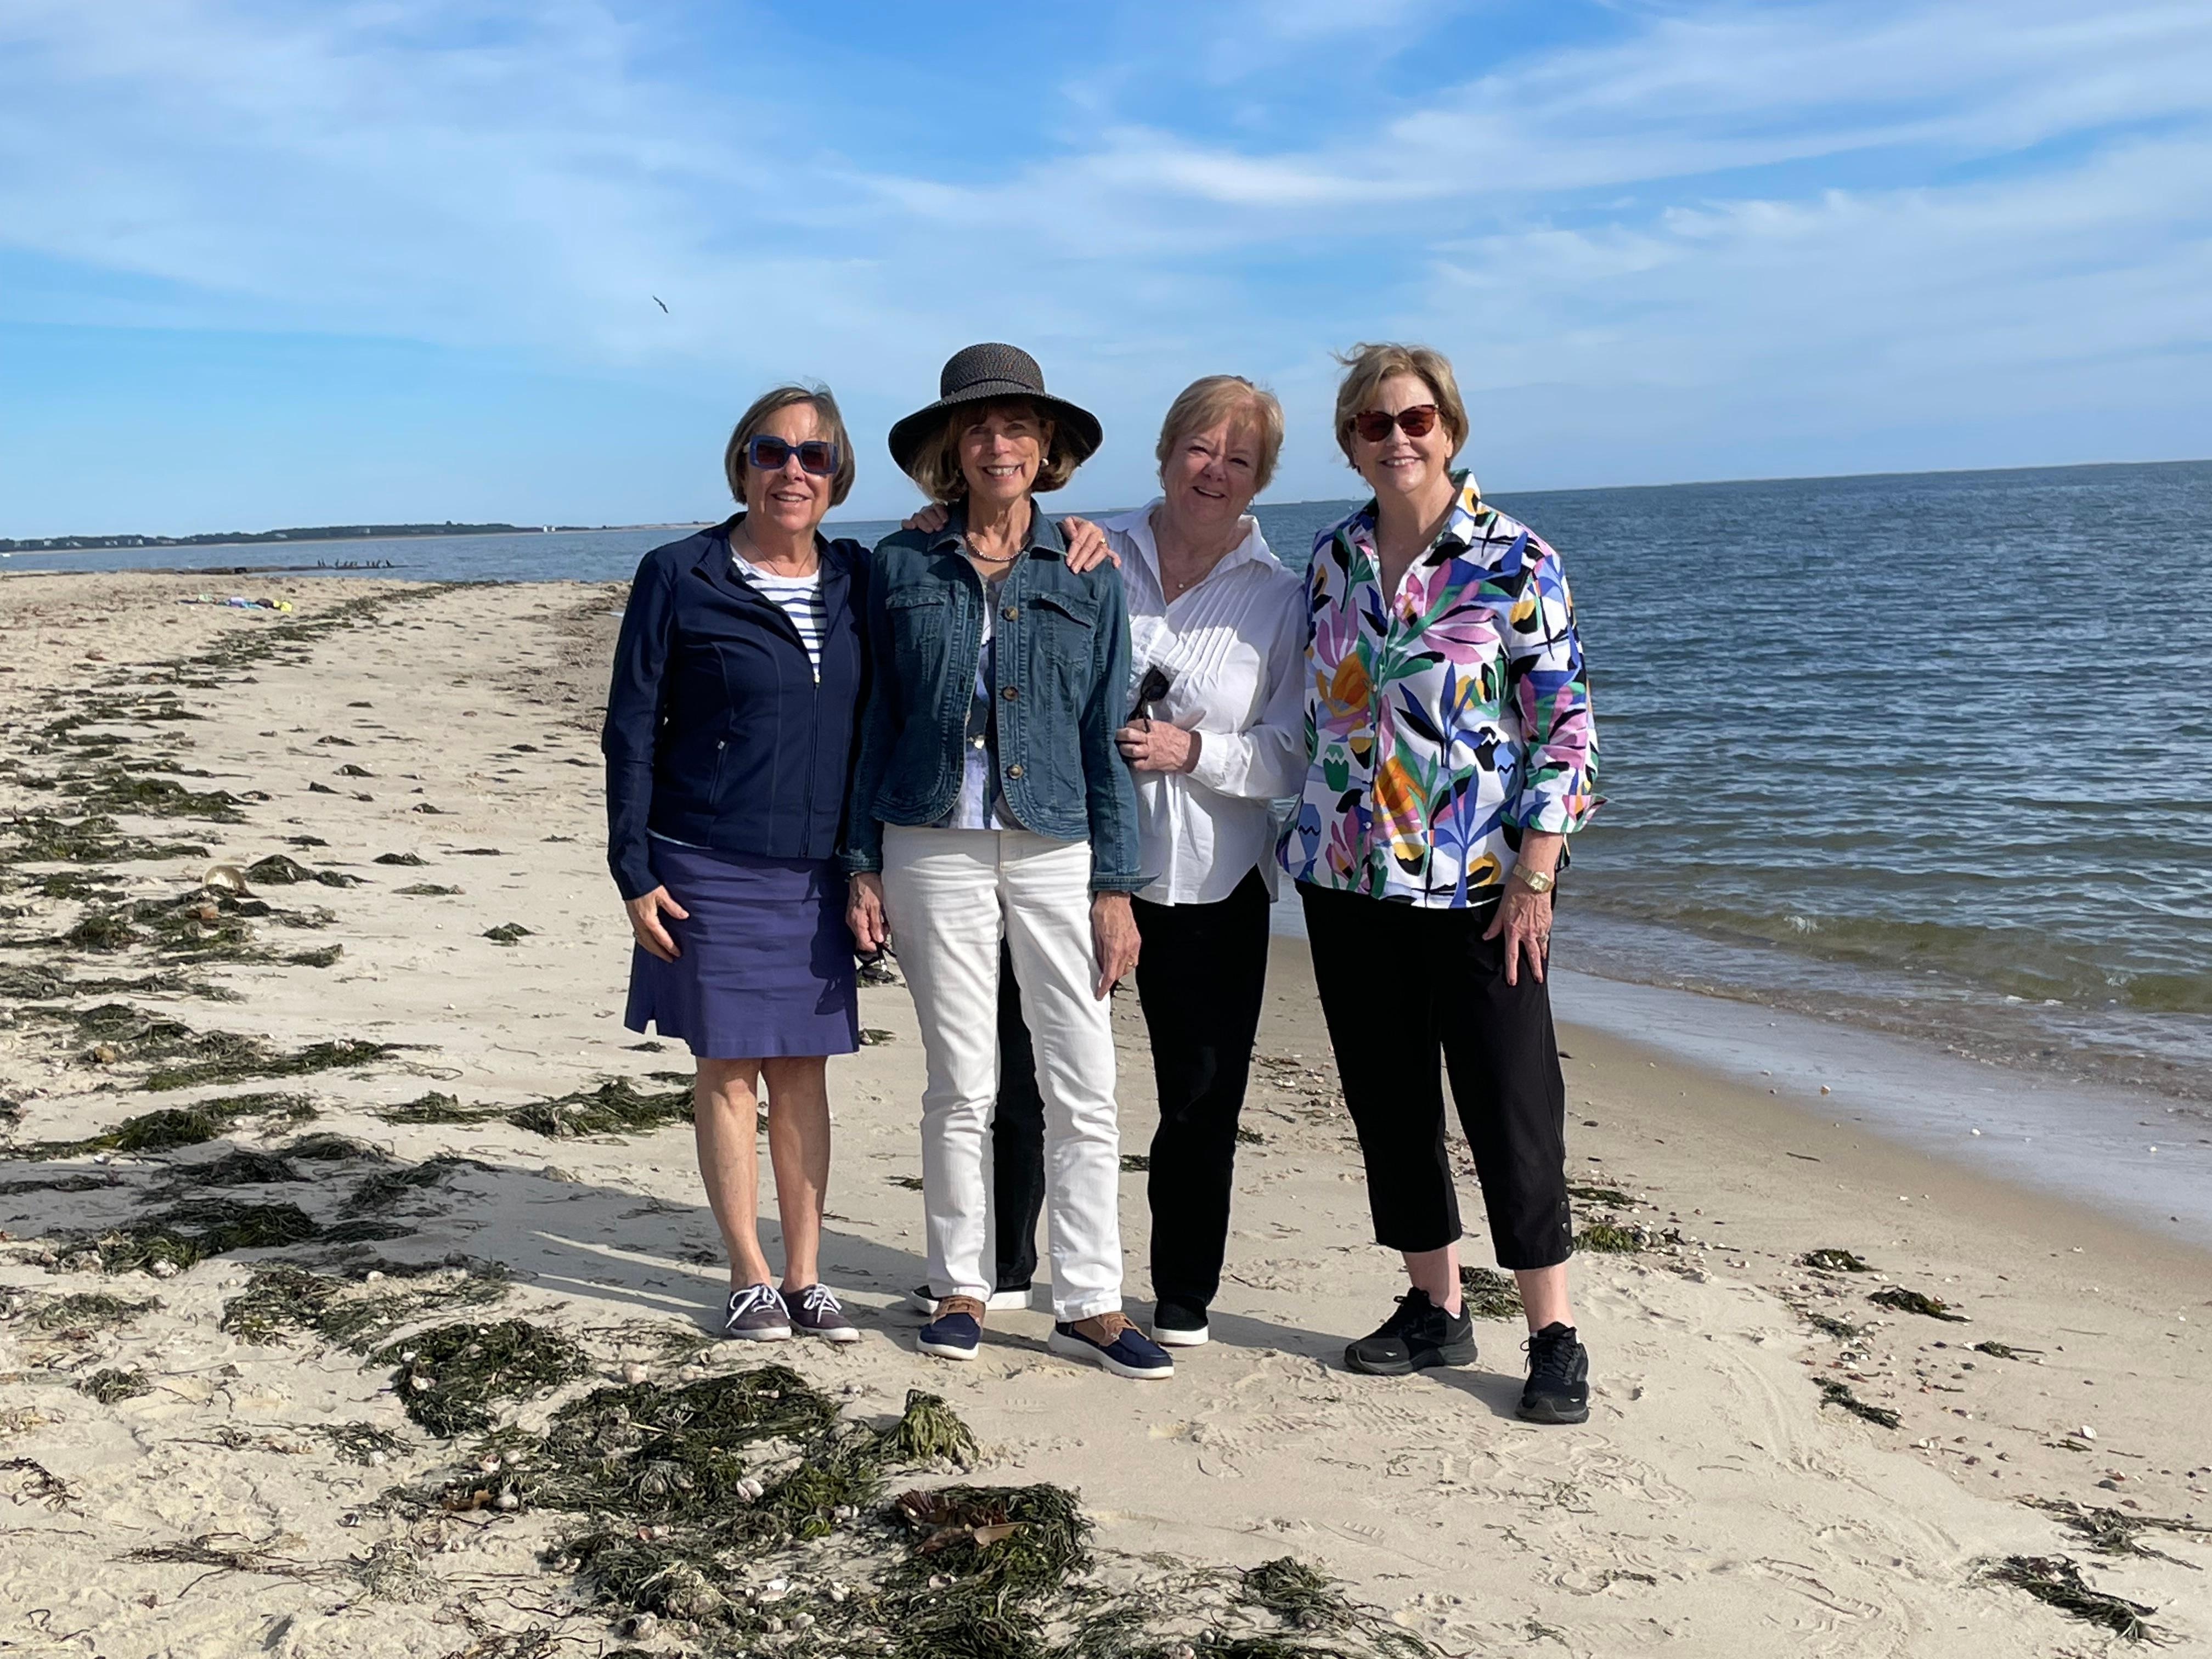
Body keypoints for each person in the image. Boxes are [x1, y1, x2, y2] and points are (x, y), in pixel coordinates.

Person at [913, 376, 1306, 1348]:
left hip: (1205, 879)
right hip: (1054, 855)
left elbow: (1299, 748)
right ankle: (1003, 1267)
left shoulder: (1282, 594)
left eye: (1240, 458)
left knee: (1201, 1096)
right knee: (1018, 1067)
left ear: (1261, 478)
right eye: (1200, 449)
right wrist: (947, 518)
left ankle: (1178, 1293)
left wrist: (1196, 753)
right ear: (1167, 452)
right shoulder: (1086, 548)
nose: (1214, 471)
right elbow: (989, 594)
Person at [1280, 342, 1602, 1425]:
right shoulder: (1330, 560)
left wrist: (1538, 876)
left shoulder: (1517, 560)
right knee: (1389, 1101)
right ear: (1351, 443)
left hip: (1478, 885)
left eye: (1416, 419)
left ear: (1451, 430)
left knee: (1513, 1104)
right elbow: (1310, 708)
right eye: (1376, 425)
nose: (1399, 438)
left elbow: (1564, 731)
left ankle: (1553, 1331)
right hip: (1344, 875)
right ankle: (1436, 1305)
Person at [843, 342, 1173, 1381]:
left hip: (1057, 846)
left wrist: (1117, 887)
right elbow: (871, 720)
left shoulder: (1087, 567)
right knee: (961, 1082)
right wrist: (860, 862)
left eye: (1018, 427)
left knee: (1083, 1081)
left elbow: (1104, 734)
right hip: (927, 842)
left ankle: (1089, 1301)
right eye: (979, 427)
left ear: (1046, 448)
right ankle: (961, 1285)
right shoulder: (900, 564)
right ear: (951, 448)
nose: (999, 443)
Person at [601, 384, 868, 1344]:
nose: (792, 471)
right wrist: (632, 869)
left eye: (814, 456)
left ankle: (807, 1274)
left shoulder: (859, 579)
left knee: (805, 1071)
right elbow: (629, 731)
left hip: (817, 868)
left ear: (837, 478)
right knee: (728, 1069)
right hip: (702, 857)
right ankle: (749, 1274)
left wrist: (866, 863)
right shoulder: (679, 573)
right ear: (741, 464)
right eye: (772, 452)